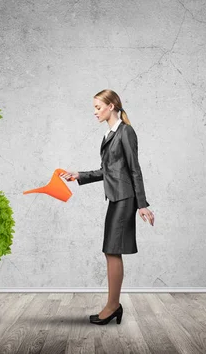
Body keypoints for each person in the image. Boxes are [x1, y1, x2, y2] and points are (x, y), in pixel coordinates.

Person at [60, 89, 155, 326]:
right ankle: (114, 305)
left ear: (111, 106)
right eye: (94, 108)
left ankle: (113, 306)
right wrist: (79, 175)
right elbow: (109, 171)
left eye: (98, 107)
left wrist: (142, 205)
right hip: (116, 197)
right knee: (110, 250)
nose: (95, 112)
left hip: (125, 199)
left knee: (113, 250)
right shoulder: (110, 134)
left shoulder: (126, 132)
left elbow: (135, 169)